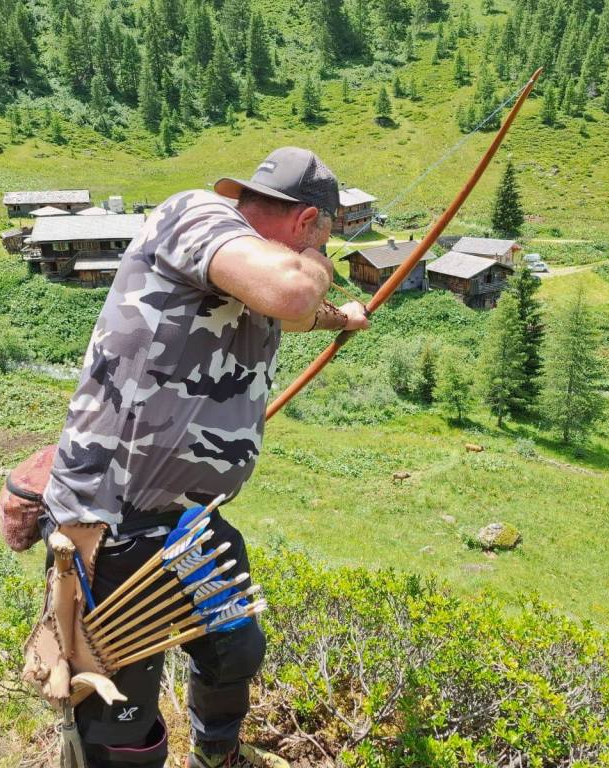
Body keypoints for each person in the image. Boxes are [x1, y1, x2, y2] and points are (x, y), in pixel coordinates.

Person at [41, 147, 370, 768]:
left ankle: (216, 756)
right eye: (320, 238)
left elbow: (296, 310)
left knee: (233, 646)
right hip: (112, 525)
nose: (317, 254)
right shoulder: (195, 216)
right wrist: (317, 264)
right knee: (118, 704)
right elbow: (292, 291)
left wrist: (342, 319)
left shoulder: (245, 269)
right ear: (306, 221)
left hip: (187, 525)